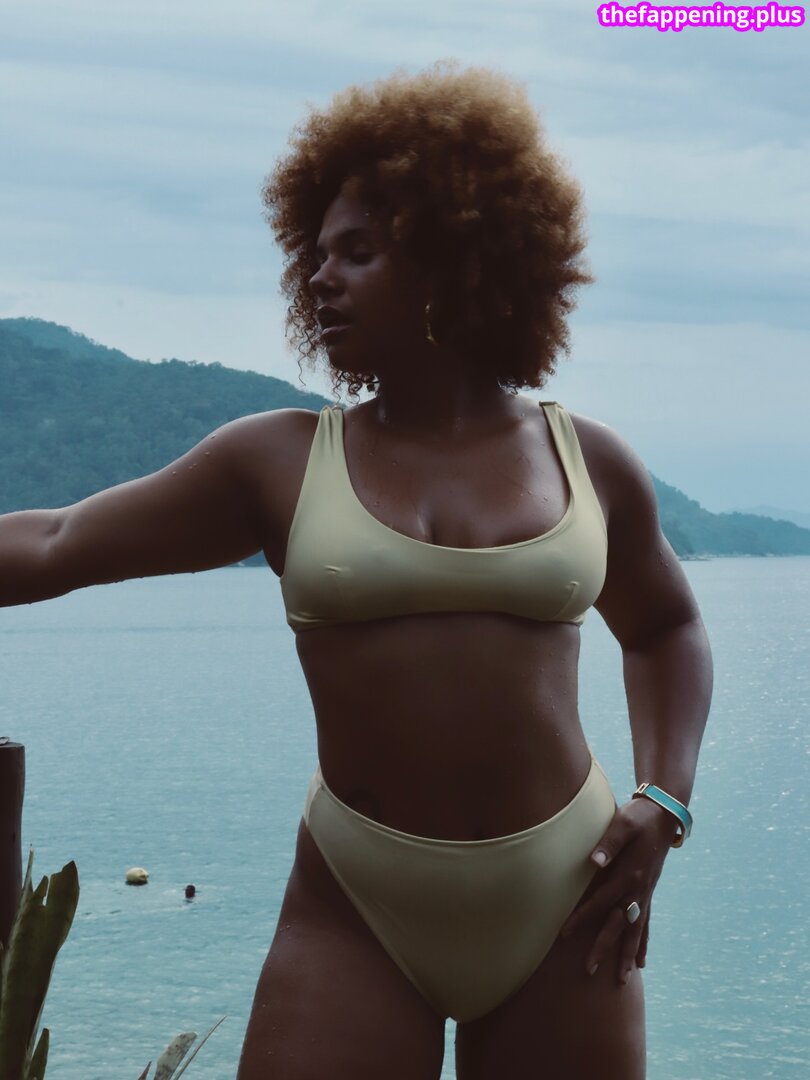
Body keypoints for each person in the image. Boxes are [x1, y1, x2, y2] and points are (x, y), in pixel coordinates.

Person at [0, 61, 712, 1078]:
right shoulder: (280, 461)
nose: (320, 280)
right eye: (318, 255)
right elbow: (60, 541)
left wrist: (666, 800)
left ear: (455, 258)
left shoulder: (587, 461)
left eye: (359, 253)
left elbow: (667, 627)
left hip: (568, 895)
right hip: (358, 904)